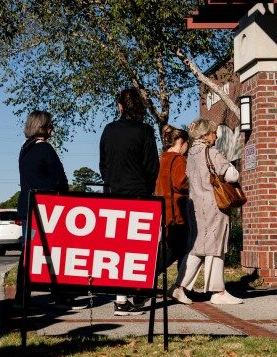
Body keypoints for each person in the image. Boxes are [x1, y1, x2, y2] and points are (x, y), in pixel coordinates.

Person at [99, 88, 159, 316]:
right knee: (137, 248)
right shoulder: (145, 131)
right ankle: (135, 292)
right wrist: (147, 187)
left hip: (113, 192)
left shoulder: (109, 130)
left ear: (120, 106)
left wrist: (112, 180)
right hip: (138, 194)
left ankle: (120, 299)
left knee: (116, 248)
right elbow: (152, 166)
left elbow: (103, 163)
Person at [171, 118, 243, 306]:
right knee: (216, 246)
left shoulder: (190, 155)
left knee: (197, 247)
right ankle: (218, 291)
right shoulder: (211, 152)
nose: (216, 135)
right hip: (214, 205)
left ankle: (180, 287)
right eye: (213, 132)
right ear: (205, 135)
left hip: (195, 206)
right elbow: (232, 174)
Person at [15, 110, 69, 307]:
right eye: (49, 125)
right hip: (46, 209)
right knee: (53, 253)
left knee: (28, 254)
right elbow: (60, 179)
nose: (52, 128)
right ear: (42, 127)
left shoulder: (24, 149)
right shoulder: (45, 149)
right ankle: (59, 294)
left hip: (26, 207)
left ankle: (21, 298)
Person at [155, 124, 190, 269]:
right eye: (187, 143)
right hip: (177, 211)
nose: (188, 147)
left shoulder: (162, 158)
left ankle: (180, 286)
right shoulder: (179, 159)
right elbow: (181, 183)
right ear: (181, 141)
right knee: (178, 249)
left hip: (164, 209)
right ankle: (179, 286)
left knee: (171, 248)